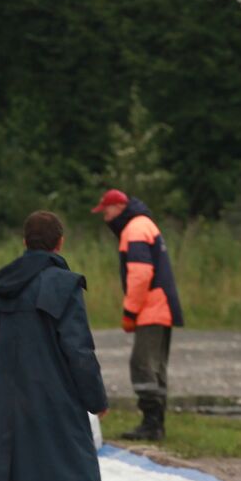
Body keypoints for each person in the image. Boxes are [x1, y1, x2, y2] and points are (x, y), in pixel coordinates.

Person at [0, 210, 112, 481]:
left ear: (24, 243)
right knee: (79, 459)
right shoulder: (62, 284)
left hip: (8, 395)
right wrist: (95, 398)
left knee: (18, 468)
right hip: (55, 392)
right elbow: (79, 349)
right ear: (60, 243)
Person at [91, 189, 183, 441]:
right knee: (156, 366)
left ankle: (152, 423)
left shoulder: (134, 230)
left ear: (119, 207)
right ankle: (156, 424)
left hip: (151, 307)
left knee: (142, 364)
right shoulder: (144, 224)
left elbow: (141, 274)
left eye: (107, 211)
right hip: (161, 305)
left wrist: (130, 311)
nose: (105, 217)